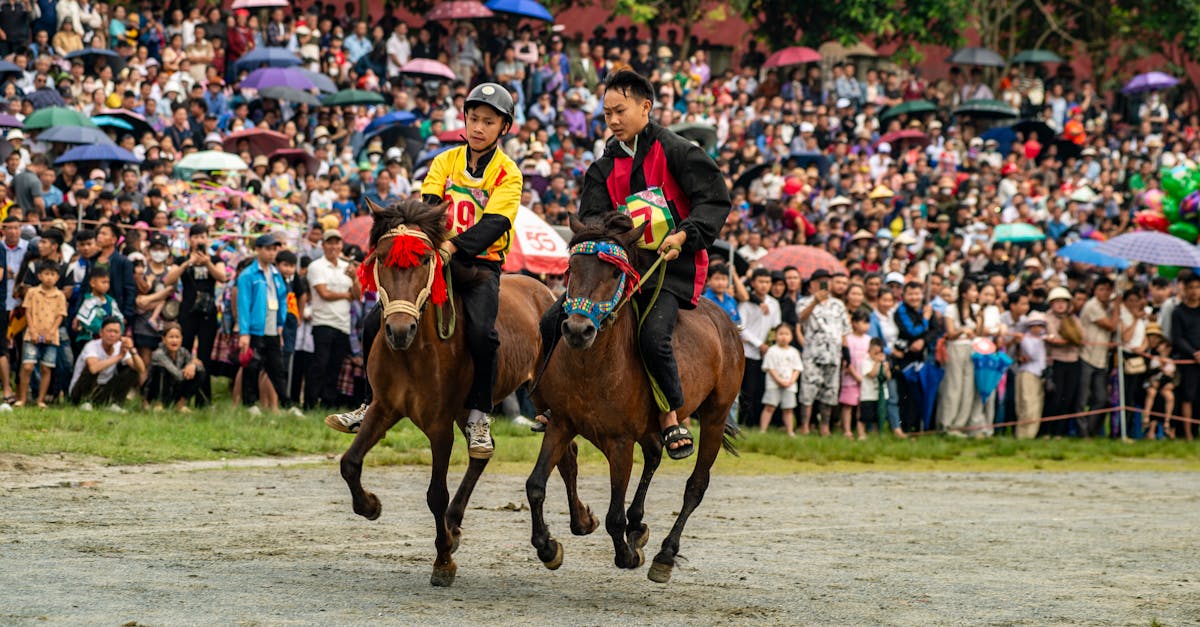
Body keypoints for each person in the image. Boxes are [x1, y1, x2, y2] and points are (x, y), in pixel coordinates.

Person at [537, 69, 731, 460]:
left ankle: (671, 417)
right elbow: (591, 221)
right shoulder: (602, 168)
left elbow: (713, 200)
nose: (612, 121)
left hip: (668, 271)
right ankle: (549, 404)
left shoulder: (678, 151)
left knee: (652, 335)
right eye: (606, 114)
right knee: (550, 321)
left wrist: (683, 235)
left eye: (619, 111)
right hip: (615, 273)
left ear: (646, 107)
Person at [327, 82, 522, 463]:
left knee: (484, 332)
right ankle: (370, 402)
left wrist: (452, 247)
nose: (478, 127)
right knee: (374, 321)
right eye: (473, 118)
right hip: (438, 256)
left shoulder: (508, 174)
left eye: (488, 121)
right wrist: (425, 242)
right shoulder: (444, 162)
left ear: (504, 128)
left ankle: (479, 415)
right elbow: (431, 210)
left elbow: (496, 223)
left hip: (480, 265)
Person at [236, 234, 298, 416]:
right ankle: (250, 404)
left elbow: (282, 300)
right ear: (258, 249)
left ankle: (287, 404)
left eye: (274, 249)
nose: (272, 253)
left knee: (277, 367)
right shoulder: (248, 275)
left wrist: (280, 324)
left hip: (272, 326)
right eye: (268, 249)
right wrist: (244, 332)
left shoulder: (277, 274)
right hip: (255, 327)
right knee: (252, 366)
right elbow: (244, 305)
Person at [305, 228, 359, 409]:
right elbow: (323, 293)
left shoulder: (347, 268)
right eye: (330, 242)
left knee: (335, 366)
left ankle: (328, 403)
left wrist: (355, 279)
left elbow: (358, 295)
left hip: (343, 324)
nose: (333, 246)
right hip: (323, 322)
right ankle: (310, 402)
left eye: (337, 243)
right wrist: (346, 295)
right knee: (319, 364)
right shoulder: (316, 266)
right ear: (323, 245)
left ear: (341, 245)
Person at [797, 269, 849, 436]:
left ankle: (824, 427)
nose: (823, 284)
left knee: (830, 392)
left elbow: (844, 330)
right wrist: (814, 302)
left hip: (834, 355)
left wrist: (846, 351)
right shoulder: (804, 301)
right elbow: (800, 319)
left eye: (826, 281)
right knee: (808, 392)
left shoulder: (838, 305)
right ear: (812, 284)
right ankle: (805, 425)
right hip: (812, 354)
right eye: (820, 281)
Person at [16, 261, 66, 407]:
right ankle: (23, 398)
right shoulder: (32, 292)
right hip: (33, 334)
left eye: (52, 274)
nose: (49, 278)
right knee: (28, 366)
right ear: (39, 276)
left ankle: (40, 400)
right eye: (46, 274)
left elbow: (60, 315)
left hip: (51, 336)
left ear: (57, 277)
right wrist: (32, 329)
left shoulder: (60, 295)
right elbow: (28, 311)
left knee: (46, 367)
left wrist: (52, 331)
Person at [69, 316, 146, 411]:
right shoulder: (91, 346)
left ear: (120, 335)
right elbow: (94, 368)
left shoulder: (119, 346)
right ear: (101, 332)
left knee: (132, 371)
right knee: (92, 367)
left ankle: (114, 403)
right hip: (80, 391)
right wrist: (119, 357)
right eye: (109, 331)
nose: (112, 335)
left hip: (103, 390)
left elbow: (141, 369)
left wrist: (132, 350)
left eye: (116, 332)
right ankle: (85, 402)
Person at [739, 268, 781, 427]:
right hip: (748, 352)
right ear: (753, 283)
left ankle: (756, 423)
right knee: (747, 389)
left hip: (766, 353)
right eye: (761, 281)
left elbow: (776, 326)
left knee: (761, 389)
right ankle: (744, 423)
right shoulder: (746, 303)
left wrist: (769, 345)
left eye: (767, 282)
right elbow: (741, 327)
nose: (764, 285)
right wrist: (759, 344)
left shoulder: (774, 303)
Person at [1077, 276, 1116, 438]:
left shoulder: (1107, 308)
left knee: (1102, 399)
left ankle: (1091, 432)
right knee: (1082, 398)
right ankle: (1082, 433)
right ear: (1095, 290)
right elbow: (1112, 325)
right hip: (1086, 357)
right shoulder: (1092, 305)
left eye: (1108, 289)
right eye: (1101, 289)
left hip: (1101, 360)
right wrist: (1119, 307)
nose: (1105, 293)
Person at [1044, 286, 1083, 438]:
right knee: (1054, 396)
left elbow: (1081, 337)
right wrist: (1069, 340)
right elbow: (1054, 339)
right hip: (1056, 362)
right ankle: (1047, 430)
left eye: (1063, 302)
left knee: (1068, 397)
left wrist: (1068, 340)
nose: (1060, 305)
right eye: (1057, 302)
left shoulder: (1073, 319)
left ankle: (1060, 432)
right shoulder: (1047, 318)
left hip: (1073, 361)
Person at [144, 322, 208, 410]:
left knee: (199, 371)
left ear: (181, 339)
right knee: (160, 370)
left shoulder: (183, 351)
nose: (174, 341)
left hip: (173, 388)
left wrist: (192, 365)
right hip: (156, 389)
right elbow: (177, 375)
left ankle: (181, 404)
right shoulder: (159, 354)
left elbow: (200, 365)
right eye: (171, 337)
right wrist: (189, 367)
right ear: (164, 339)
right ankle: (157, 404)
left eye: (177, 337)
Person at [1169, 272, 1200, 442]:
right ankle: (1187, 434)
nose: (1195, 291)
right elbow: (1177, 338)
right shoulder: (1178, 312)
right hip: (1187, 361)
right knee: (1188, 396)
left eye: (1197, 287)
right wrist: (1194, 353)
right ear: (1185, 290)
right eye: (1191, 288)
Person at [759, 323, 801, 436]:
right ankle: (763, 430)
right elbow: (770, 368)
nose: (783, 337)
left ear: (791, 336)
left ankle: (790, 431)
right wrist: (779, 381)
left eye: (786, 334)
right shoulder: (772, 351)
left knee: (788, 409)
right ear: (775, 336)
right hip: (774, 384)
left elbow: (797, 369)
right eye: (781, 334)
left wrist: (791, 381)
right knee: (769, 407)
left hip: (790, 385)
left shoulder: (794, 352)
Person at [839, 309, 871, 440]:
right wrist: (854, 374)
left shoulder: (869, 339)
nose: (866, 326)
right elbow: (846, 359)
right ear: (854, 323)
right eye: (862, 322)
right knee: (848, 405)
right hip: (850, 377)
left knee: (861, 407)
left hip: (865, 378)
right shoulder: (848, 339)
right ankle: (846, 430)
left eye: (867, 323)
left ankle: (861, 431)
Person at [1015, 311, 1047, 440]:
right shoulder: (1027, 338)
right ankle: (1023, 435)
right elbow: (1032, 354)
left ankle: (1031, 435)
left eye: (1040, 325)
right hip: (1028, 373)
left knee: (1036, 405)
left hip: (1039, 374)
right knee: (1027, 405)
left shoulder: (1043, 338)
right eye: (1034, 325)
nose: (1037, 328)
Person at [73, 266, 123, 343]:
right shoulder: (89, 301)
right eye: (103, 282)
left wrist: (117, 332)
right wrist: (106, 331)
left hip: (111, 338)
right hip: (91, 339)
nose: (106, 285)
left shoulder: (110, 301)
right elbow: (90, 323)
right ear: (92, 283)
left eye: (108, 282)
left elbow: (119, 320)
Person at [859, 338, 894, 437]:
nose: (878, 356)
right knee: (865, 417)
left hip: (880, 396)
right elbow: (872, 374)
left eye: (880, 353)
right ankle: (862, 434)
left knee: (877, 416)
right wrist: (877, 363)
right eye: (875, 353)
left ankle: (876, 433)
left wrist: (886, 369)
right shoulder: (866, 362)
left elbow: (888, 377)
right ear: (869, 352)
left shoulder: (884, 363)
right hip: (868, 395)